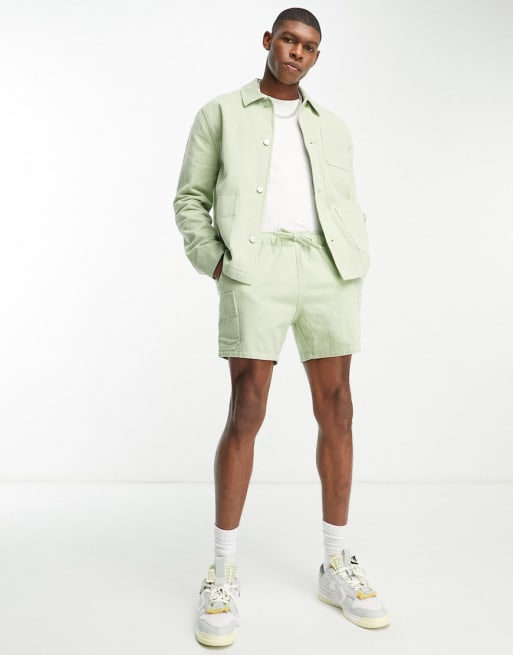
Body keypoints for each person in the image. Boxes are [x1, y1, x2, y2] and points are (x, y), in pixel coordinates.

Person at [174, 7, 390, 646]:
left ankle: (336, 563)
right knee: (247, 408)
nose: (296, 52)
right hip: (255, 265)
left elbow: (344, 203)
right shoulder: (220, 113)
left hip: (328, 268)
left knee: (339, 409)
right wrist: (215, 260)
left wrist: (353, 253)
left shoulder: (333, 128)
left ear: (317, 57)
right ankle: (222, 571)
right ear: (268, 41)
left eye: (309, 47)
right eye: (289, 40)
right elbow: (190, 197)